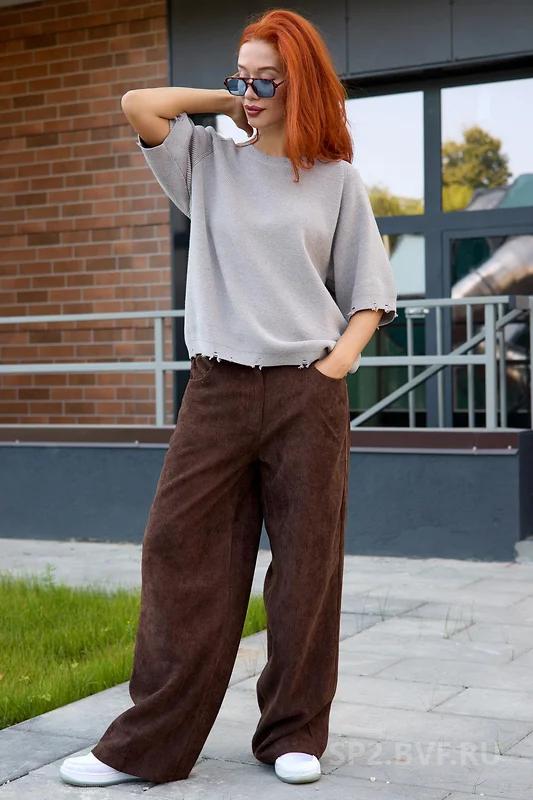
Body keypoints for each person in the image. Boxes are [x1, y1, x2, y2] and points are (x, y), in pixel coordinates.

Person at [59, 8, 397, 789]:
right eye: (240, 75)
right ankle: (146, 748)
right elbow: (138, 105)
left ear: (301, 83)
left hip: (306, 392)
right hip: (216, 388)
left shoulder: (336, 181)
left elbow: (368, 293)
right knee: (176, 552)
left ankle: (292, 732)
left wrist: (336, 366)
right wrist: (233, 101)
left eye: (266, 79)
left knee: (306, 566)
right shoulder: (207, 162)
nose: (248, 90)